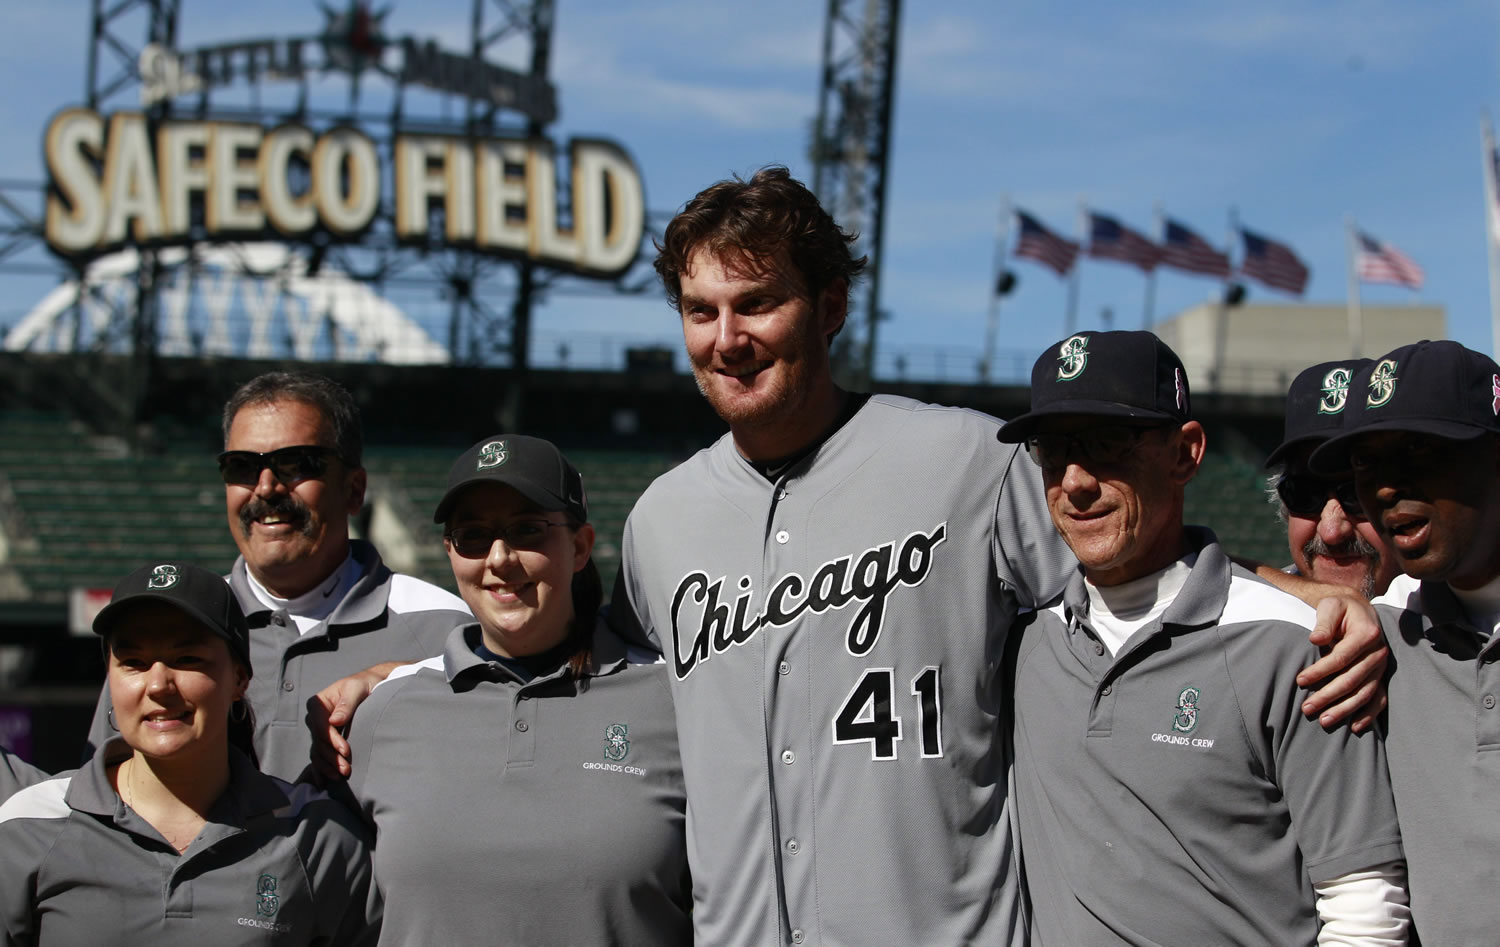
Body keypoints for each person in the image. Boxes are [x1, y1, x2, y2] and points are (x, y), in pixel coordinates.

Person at [604, 167, 1390, 946]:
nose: (727, 338)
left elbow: (1137, 568)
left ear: (831, 305)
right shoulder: (658, 523)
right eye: (700, 311)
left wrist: (1311, 596)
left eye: (758, 303)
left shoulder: (969, 459)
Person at [1000, 330, 1408, 945]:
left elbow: (1363, 905)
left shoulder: (1295, 645)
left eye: (1110, 444)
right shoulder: (1027, 642)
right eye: (1053, 451)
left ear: (1186, 454)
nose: (1076, 481)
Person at [341, 436, 690, 945]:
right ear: (450, 552)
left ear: (580, 546)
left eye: (527, 530)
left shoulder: (673, 700)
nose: (499, 558)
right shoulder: (384, 713)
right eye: (473, 536)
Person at [85, 371, 471, 780]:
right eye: (242, 466)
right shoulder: (163, 635)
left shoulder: (444, 628)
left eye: (296, 463)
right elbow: (106, 803)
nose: (266, 487)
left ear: (354, 489)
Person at [0, 562, 379, 945]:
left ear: (239, 679)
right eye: (134, 663)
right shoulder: (28, 826)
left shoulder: (318, 835)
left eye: (187, 660)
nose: (159, 685)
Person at [1311, 339, 1500, 944]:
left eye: (1418, 449)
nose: (1386, 487)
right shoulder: (1386, 637)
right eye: (1367, 464)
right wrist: (1327, 600)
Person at [1265, 359, 1399, 599]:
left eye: (1357, 494)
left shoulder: (1466, 628)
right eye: (1305, 495)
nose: (1331, 532)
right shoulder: (1249, 616)